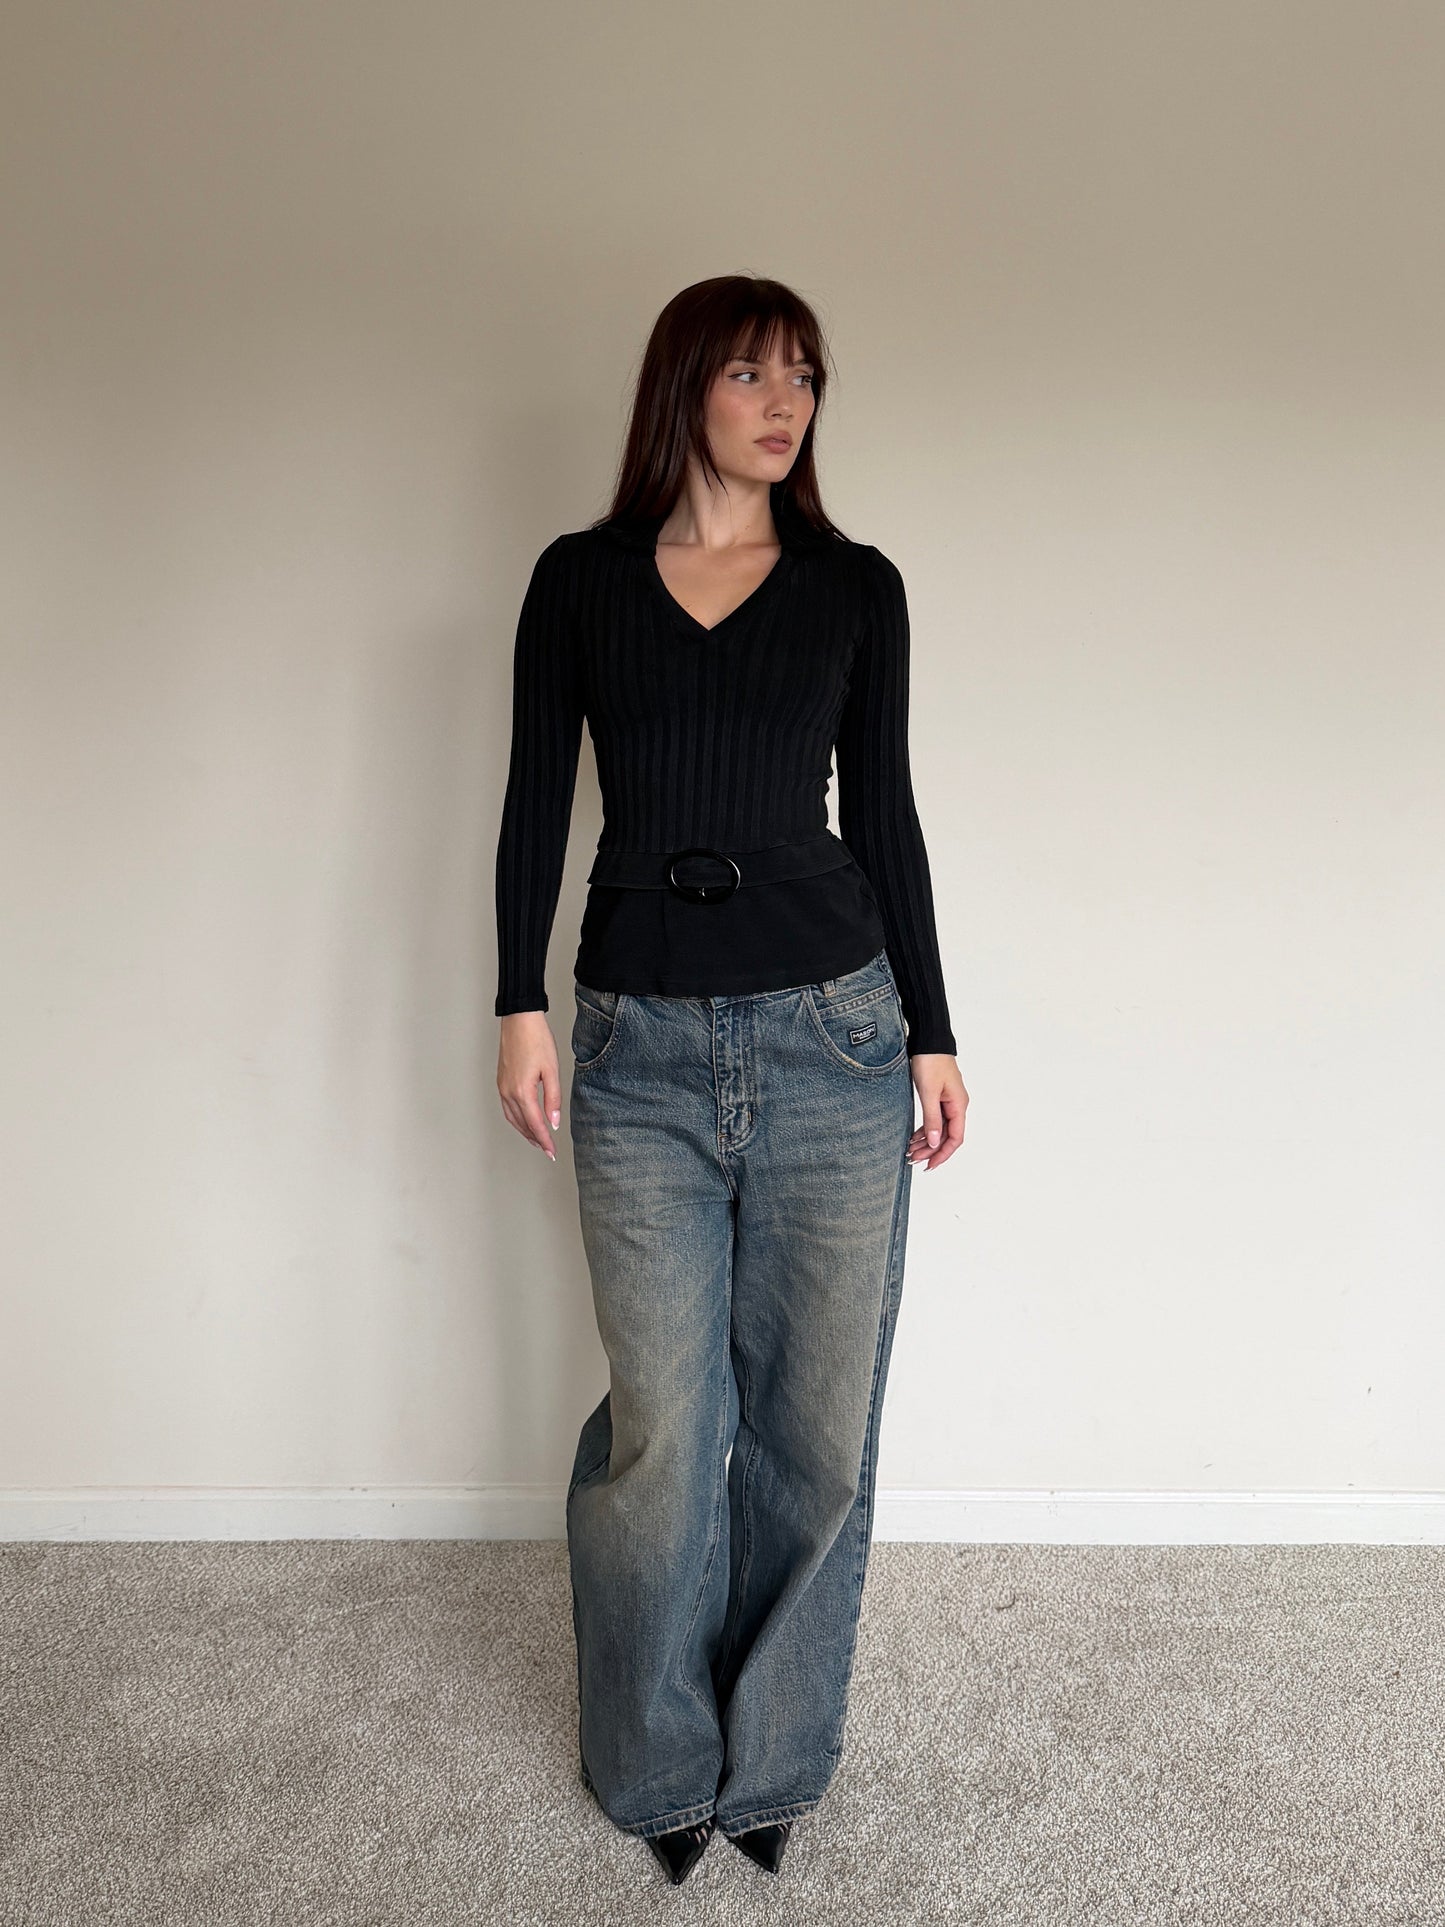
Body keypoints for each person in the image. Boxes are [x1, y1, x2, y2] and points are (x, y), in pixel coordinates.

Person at [493, 275, 968, 1886]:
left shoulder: (853, 587)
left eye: (806, 379)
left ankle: (772, 1758)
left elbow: (883, 814)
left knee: (815, 1431)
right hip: (634, 1044)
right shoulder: (579, 580)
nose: (785, 404)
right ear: (684, 384)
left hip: (834, 1033)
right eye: (754, 373)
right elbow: (532, 801)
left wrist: (931, 1029)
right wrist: (517, 1002)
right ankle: (652, 1765)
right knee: (664, 1429)